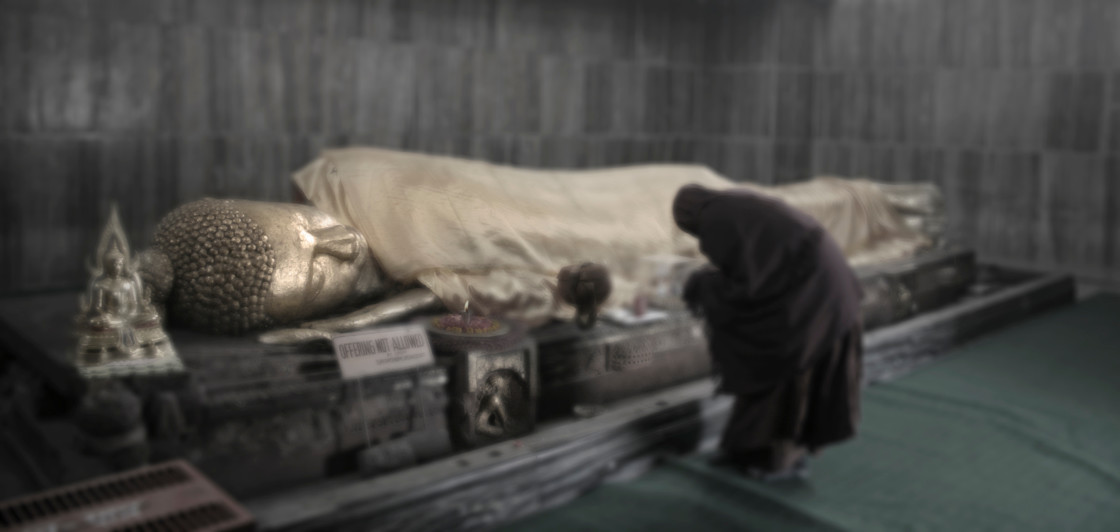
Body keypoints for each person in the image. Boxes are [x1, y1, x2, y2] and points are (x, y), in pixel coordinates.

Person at [672, 184, 864, 481]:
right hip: (823, 284)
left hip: (812, 297)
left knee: (782, 367)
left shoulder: (715, 222)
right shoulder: (736, 203)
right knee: (769, 371)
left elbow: (746, 286)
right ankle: (744, 450)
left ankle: (777, 461)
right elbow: (757, 268)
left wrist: (696, 286)